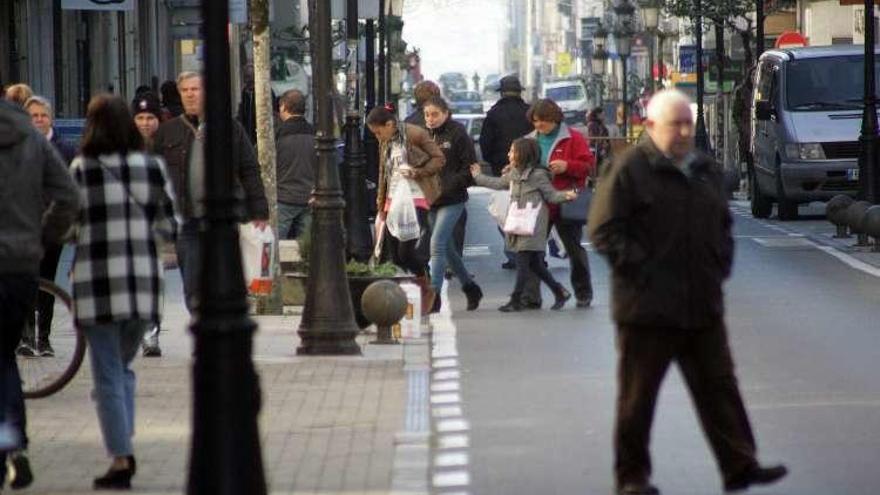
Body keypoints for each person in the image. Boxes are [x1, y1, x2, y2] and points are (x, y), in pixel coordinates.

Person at [588, 89, 788, 495]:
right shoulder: (628, 169)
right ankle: (631, 477)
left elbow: (723, 224)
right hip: (647, 309)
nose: (682, 132)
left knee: (720, 388)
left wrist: (719, 266)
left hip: (701, 303)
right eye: (674, 125)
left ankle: (740, 465)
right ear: (649, 127)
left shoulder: (704, 170)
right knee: (638, 398)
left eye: (687, 124)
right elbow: (605, 232)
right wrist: (645, 271)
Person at [70, 93, 178, 490]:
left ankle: (121, 456)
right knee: (122, 368)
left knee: (107, 375)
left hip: (97, 285)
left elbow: (67, 223)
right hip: (144, 286)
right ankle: (124, 444)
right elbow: (170, 226)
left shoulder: (82, 168)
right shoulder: (151, 167)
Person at [0, 98, 80, 490]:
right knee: (4, 356)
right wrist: (44, 237)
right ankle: (12, 444)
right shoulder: (32, 138)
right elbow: (68, 195)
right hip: (20, 265)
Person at [153, 71, 269, 313]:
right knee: (192, 284)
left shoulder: (230, 128)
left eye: (195, 89)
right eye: (184, 90)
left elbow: (249, 169)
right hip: (187, 221)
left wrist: (259, 210)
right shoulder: (168, 132)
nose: (190, 95)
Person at [470, 138, 576, 312]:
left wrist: (567, 195)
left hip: (534, 224)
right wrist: (477, 176)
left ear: (523, 154)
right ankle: (559, 292)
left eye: (512, 151)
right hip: (519, 222)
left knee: (522, 261)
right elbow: (497, 183)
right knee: (535, 264)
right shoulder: (514, 173)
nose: (509, 154)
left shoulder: (538, 175)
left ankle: (516, 299)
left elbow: (551, 196)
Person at [366, 104, 445, 315]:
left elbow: (439, 158)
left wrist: (417, 172)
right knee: (394, 255)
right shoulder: (386, 142)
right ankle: (408, 299)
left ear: (390, 124)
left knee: (407, 251)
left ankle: (429, 291)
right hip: (393, 201)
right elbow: (384, 173)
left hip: (416, 199)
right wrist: (382, 204)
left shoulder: (415, 134)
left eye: (378, 131)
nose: (377, 136)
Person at [15, 96, 77, 358]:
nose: (39, 120)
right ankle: (26, 336)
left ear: (50, 118)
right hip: (24, 226)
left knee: (48, 282)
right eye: (34, 116)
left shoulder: (66, 149)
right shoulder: (16, 147)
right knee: (26, 282)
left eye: (43, 115)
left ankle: (45, 338)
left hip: (53, 226)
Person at [522, 98, 595, 308]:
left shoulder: (573, 138)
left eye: (543, 120)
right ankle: (531, 296)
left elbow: (588, 166)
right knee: (534, 250)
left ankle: (583, 293)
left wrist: (567, 166)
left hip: (567, 200)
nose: (538, 125)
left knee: (574, 249)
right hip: (538, 201)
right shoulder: (529, 140)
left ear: (554, 118)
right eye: (535, 121)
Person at [423, 96, 483, 312]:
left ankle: (434, 295)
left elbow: (469, 167)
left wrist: (450, 186)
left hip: (453, 198)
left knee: (437, 243)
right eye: (427, 115)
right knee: (447, 249)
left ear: (446, 113)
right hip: (431, 199)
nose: (430, 119)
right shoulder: (423, 135)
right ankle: (470, 286)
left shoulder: (457, 133)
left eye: (435, 114)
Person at [479, 75, 533, 271]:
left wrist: (494, 160)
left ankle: (512, 254)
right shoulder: (529, 112)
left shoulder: (494, 114)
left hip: (501, 169)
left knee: (505, 212)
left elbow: (485, 143)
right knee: (529, 210)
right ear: (520, 92)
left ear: (501, 93)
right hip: (529, 169)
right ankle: (533, 254)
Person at [130, 92, 165, 357]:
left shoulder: (166, 144)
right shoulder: (125, 147)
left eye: (150, 117)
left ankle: (151, 333)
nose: (145, 123)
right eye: (140, 117)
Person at [275, 89, 315, 240]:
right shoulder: (315, 134)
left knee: (278, 248)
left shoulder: (277, 135)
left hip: (283, 198)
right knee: (305, 249)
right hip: (308, 198)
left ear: (284, 107)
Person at [586, 107, 611, 173]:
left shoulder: (601, 125)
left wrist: (606, 147)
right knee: (595, 169)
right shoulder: (592, 124)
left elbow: (606, 137)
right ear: (597, 115)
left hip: (601, 150)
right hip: (595, 150)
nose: (604, 117)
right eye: (602, 115)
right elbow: (593, 138)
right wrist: (601, 149)